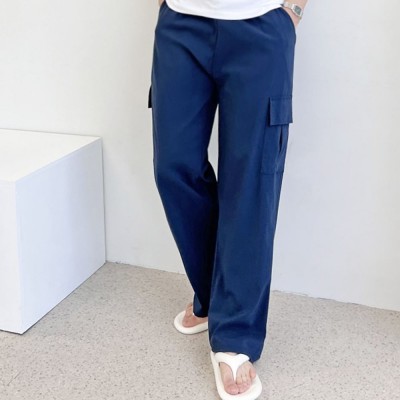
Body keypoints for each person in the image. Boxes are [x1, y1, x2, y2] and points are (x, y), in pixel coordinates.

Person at [148, 0, 308, 398]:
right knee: (173, 166)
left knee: (249, 184)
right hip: (181, 23)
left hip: (261, 25)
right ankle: (214, 297)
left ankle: (235, 334)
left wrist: (294, 10)